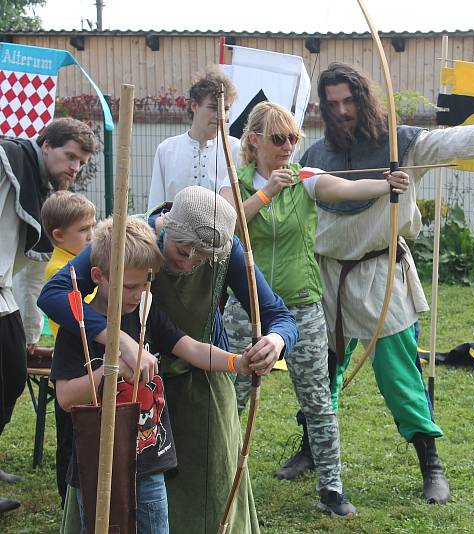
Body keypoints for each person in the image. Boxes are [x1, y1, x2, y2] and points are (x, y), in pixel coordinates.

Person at [288, 62, 474, 504]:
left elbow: (453, 141)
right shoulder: (314, 156)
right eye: (332, 104)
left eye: (349, 101)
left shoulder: (401, 145)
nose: (342, 111)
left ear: (364, 98)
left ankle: (431, 464)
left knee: (400, 373)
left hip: (380, 276)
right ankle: (311, 447)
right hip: (327, 276)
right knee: (321, 372)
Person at [39, 186, 298, 533]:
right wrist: (119, 343)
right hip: (124, 390)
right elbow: (55, 292)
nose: (189, 261)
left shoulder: (226, 248)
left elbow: (278, 316)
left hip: (201, 384)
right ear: (165, 226)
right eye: (181, 250)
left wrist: (275, 341)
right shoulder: (131, 242)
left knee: (211, 492)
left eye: (202, 257)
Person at [225, 101, 410, 517]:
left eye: (294, 138)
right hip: (245, 307)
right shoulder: (233, 182)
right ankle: (223, 478)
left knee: (318, 400)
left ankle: (331, 488)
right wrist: (267, 190)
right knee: (232, 399)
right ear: (253, 142)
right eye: (278, 138)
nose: (289, 146)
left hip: (301, 308)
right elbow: (229, 224)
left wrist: (385, 184)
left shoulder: (305, 180)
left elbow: (344, 188)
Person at [0, 118, 96, 516]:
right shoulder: (9, 160)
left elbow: (33, 270)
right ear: (45, 144)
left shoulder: (39, 189)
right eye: (69, 155)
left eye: (81, 161)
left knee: (10, 381)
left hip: (4, 296)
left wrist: (29, 332)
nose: (74, 167)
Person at [39, 190, 97, 506]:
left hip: (88, 357)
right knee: (70, 439)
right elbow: (85, 312)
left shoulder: (78, 261)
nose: (92, 235)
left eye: (93, 226)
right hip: (72, 361)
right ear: (59, 236)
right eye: (83, 230)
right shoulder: (60, 271)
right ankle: (68, 498)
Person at [147, 65, 240, 209]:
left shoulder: (235, 149)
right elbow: (154, 209)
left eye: (226, 109)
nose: (221, 115)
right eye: (213, 108)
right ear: (194, 106)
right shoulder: (167, 150)